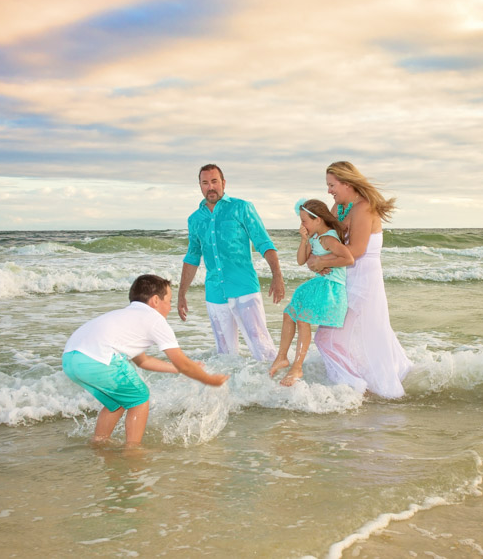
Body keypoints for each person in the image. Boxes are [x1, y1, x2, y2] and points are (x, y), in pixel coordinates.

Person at [62, 274, 228, 446]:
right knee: (140, 397)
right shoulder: (154, 319)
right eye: (169, 301)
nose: (170, 308)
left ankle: (99, 441)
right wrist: (208, 379)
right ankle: (133, 449)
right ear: (156, 300)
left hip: (71, 360)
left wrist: (178, 369)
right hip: (98, 358)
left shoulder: (124, 317)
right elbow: (180, 360)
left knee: (117, 403)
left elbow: (143, 361)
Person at [307, 161, 414, 398]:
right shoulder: (340, 207)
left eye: (332, 185)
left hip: (363, 283)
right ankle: (359, 384)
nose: (329, 191)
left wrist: (323, 262)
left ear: (346, 183)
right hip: (346, 280)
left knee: (326, 338)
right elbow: (328, 236)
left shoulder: (364, 208)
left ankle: (354, 388)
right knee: (346, 338)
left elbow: (354, 251)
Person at [178, 164, 284, 361]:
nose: (211, 187)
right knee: (225, 356)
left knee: (263, 349)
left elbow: (263, 242)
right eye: (205, 182)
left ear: (223, 183)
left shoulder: (242, 207)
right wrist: (181, 293)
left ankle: (276, 388)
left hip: (244, 288)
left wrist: (277, 275)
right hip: (214, 292)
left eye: (215, 181)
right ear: (200, 186)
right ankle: (234, 391)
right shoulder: (195, 219)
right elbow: (192, 256)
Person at [269, 199, 353, 386]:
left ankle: (297, 366)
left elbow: (348, 258)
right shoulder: (315, 237)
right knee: (288, 314)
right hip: (319, 283)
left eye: (305, 221)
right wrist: (304, 239)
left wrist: (324, 263)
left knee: (302, 318)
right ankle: (282, 357)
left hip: (331, 287)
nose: (302, 225)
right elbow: (300, 260)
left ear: (318, 220)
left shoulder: (328, 238)